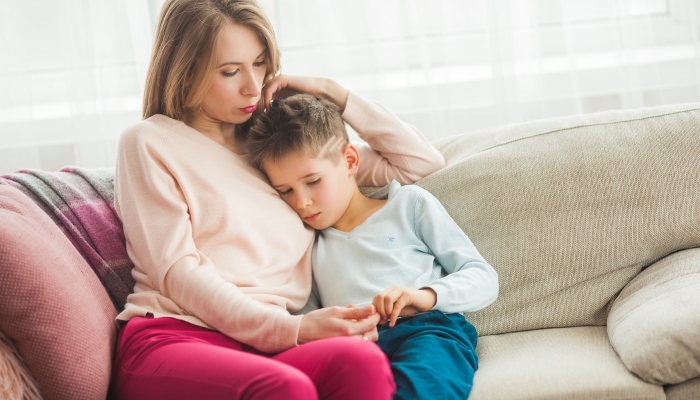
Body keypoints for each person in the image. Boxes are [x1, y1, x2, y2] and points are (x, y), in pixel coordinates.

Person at [110, 0, 446, 399]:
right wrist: (293, 330)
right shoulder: (149, 142)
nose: (252, 86)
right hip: (177, 336)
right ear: (184, 71)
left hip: (266, 347)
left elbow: (418, 162)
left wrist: (333, 93)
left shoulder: (277, 152)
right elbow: (176, 272)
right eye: (230, 71)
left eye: (260, 63)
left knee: (362, 361)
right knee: (285, 387)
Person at [247, 93, 499, 400]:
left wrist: (421, 297)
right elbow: (309, 316)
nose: (301, 202)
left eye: (313, 181)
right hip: (355, 347)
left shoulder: (408, 204)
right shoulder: (306, 243)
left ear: (350, 161)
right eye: (285, 190)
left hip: (426, 329)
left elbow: (483, 277)